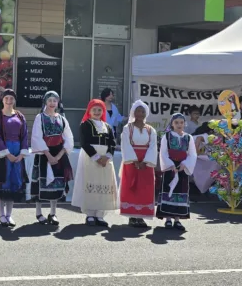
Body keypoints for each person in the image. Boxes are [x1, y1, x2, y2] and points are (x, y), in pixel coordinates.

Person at [71, 99, 118, 227]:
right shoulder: (85, 125)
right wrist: (97, 157)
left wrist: (107, 156)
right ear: (89, 111)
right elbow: (84, 143)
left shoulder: (107, 126)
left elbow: (112, 143)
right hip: (90, 158)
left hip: (106, 160)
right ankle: (90, 214)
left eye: (99, 110)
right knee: (90, 183)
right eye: (94, 109)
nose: (97, 112)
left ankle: (100, 214)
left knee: (104, 184)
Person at [29, 91, 73, 226]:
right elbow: (36, 136)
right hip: (44, 154)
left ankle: (53, 213)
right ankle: (38, 212)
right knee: (41, 183)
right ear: (45, 102)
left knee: (57, 184)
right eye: (50, 100)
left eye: (55, 101)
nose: (52, 103)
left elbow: (68, 138)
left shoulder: (62, 118)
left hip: (58, 154)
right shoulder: (39, 117)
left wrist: (59, 155)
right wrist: (48, 155)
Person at [0, 89, 28, 227]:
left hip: (17, 151)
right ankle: (1, 214)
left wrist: (21, 154)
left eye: (11, 98)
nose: (8, 101)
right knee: (4, 182)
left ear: (14, 100)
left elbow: (24, 135)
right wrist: (7, 154)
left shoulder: (20, 116)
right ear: (2, 100)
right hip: (4, 152)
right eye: (6, 98)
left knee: (14, 182)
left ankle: (9, 215)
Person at [118, 100, 158, 228]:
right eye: (138, 111)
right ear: (133, 113)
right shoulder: (127, 128)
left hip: (146, 162)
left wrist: (145, 161)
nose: (140, 113)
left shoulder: (151, 130)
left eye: (142, 111)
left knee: (144, 187)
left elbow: (153, 146)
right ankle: (132, 216)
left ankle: (141, 216)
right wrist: (135, 161)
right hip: (131, 162)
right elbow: (126, 145)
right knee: (132, 186)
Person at [157, 113, 197, 231]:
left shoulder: (188, 137)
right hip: (170, 168)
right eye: (176, 122)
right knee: (169, 190)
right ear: (172, 124)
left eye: (181, 122)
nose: (179, 125)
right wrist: (170, 165)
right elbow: (163, 153)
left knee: (180, 191)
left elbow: (192, 154)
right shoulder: (167, 136)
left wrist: (185, 164)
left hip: (182, 168)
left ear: (185, 124)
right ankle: (168, 219)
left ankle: (177, 219)